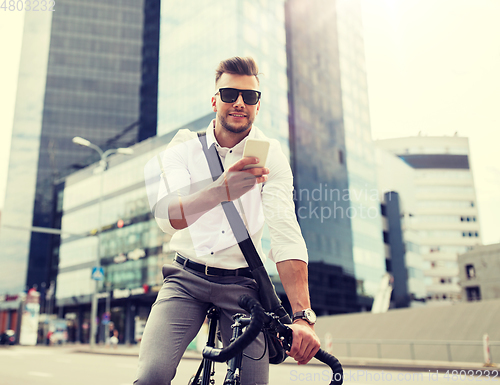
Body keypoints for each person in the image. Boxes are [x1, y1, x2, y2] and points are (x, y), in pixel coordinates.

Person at [135, 57, 320, 385]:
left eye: (249, 97)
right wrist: (219, 191)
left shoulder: (271, 155)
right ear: (214, 100)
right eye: (229, 93)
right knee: (152, 376)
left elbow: (285, 233)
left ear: (258, 106)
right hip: (186, 278)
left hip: (242, 286)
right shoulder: (185, 147)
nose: (239, 103)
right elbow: (168, 217)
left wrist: (303, 316)